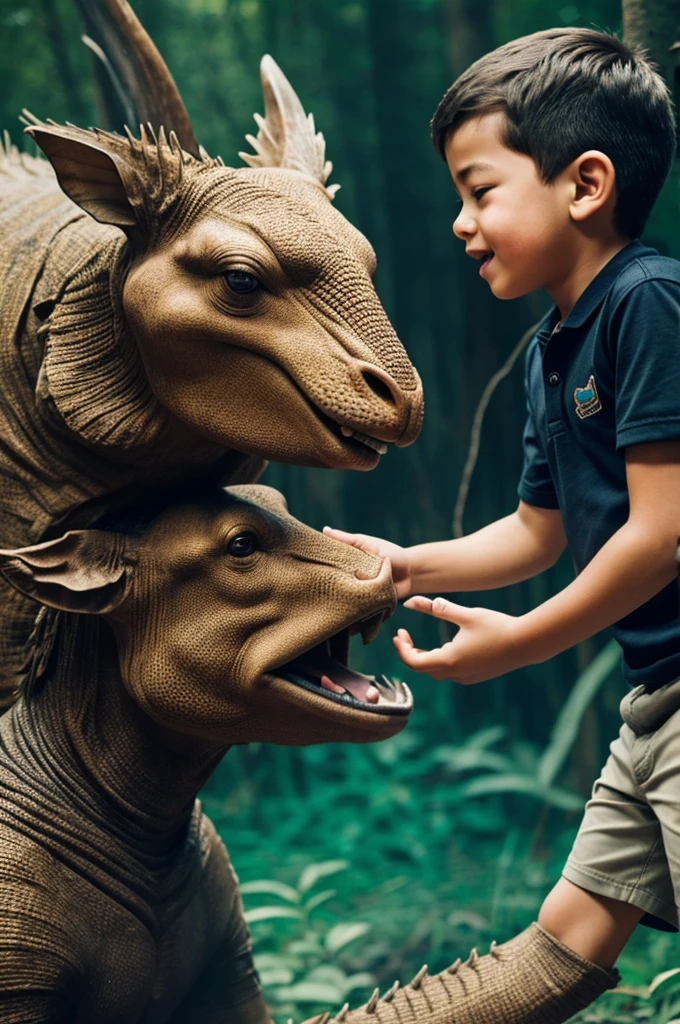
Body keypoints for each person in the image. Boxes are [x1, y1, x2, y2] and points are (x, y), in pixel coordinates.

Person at [323, 27, 680, 1024]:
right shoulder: (551, 347)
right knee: (555, 950)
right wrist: (399, 566)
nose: (458, 222)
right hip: (653, 707)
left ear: (584, 184)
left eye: (479, 191)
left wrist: (519, 641)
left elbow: (659, 534)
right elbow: (535, 531)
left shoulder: (646, 305)